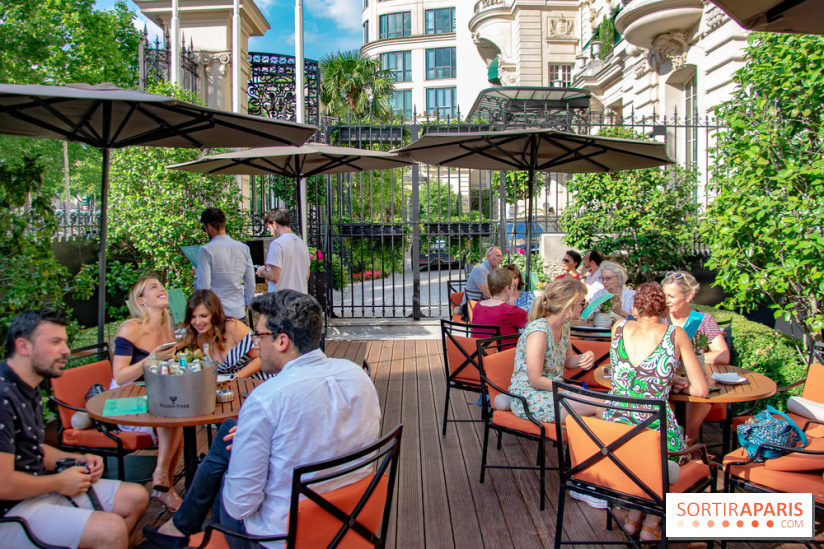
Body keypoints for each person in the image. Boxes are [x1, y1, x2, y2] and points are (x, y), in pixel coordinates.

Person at [142, 290, 381, 549]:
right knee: (230, 432)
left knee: (226, 475)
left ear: (282, 341)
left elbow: (240, 505)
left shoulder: (266, 399)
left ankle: (182, 529)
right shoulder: (357, 375)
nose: (254, 344)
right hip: (353, 517)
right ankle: (180, 526)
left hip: (280, 537)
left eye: (259, 335)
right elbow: (321, 430)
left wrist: (249, 451)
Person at [0, 308, 149, 549]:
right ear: (23, 346)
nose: (66, 351)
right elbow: (2, 483)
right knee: (110, 530)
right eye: (55, 342)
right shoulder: (2, 397)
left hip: (41, 487)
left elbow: (32, 448)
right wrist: (59, 483)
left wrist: (77, 458)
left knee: (137, 498)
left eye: (65, 342)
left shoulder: (29, 384)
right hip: (11, 511)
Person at [604, 282, 709, 540]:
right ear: (664, 310)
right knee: (676, 450)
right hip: (652, 427)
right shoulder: (676, 334)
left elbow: (624, 374)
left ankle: (635, 516)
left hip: (614, 428)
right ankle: (652, 519)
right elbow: (702, 391)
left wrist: (663, 377)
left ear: (634, 308)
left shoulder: (618, 328)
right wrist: (674, 379)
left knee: (648, 455)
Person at [112, 276, 184, 511]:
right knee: (172, 412)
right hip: (124, 400)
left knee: (178, 412)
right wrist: (151, 359)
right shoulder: (130, 328)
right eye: (154, 287)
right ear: (141, 300)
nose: (162, 289)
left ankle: (164, 486)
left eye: (162, 286)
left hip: (155, 397)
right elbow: (120, 376)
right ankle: (163, 478)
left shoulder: (169, 333)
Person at [508, 277, 600, 425]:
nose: (584, 306)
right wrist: (567, 390)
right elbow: (535, 379)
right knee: (601, 405)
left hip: (553, 392)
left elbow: (569, 361)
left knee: (597, 414)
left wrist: (587, 356)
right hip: (529, 398)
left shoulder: (564, 326)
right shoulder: (539, 331)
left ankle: (584, 447)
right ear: (568, 304)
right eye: (582, 302)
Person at [661, 271, 730, 444]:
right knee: (668, 426)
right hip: (667, 379)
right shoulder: (659, 318)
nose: (665, 300)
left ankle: (687, 448)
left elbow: (722, 355)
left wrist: (689, 358)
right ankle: (669, 451)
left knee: (690, 431)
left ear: (689, 296)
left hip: (695, 381)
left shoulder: (703, 320)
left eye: (671, 296)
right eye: (664, 295)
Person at [179, 290, 262, 378]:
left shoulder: (232, 326)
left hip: (257, 382)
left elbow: (261, 358)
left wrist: (233, 378)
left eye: (204, 316)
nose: (198, 322)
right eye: (193, 317)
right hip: (232, 387)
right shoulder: (200, 338)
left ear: (215, 314)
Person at [195, 207, 256, 321]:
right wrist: (247, 302)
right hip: (238, 310)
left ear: (208, 226)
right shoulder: (243, 248)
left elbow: (204, 287)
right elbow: (250, 281)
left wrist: (196, 276)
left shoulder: (206, 250)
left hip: (216, 311)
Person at [256, 208, 310, 294]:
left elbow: (275, 276)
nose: (271, 233)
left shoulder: (277, 244)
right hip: (299, 299)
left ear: (274, 224)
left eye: (269, 228)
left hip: (280, 300)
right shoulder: (302, 244)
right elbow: (306, 275)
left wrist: (262, 272)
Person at [472, 269, 528, 350]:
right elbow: (536, 325)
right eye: (513, 286)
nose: (513, 289)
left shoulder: (477, 306)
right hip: (504, 359)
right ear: (506, 289)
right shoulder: (511, 311)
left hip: (478, 358)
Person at [462, 246, 503, 313]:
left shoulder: (493, 270)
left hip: (482, 303)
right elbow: (488, 294)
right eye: (498, 256)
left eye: (501, 256)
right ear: (488, 256)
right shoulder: (481, 269)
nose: (501, 259)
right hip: (471, 306)